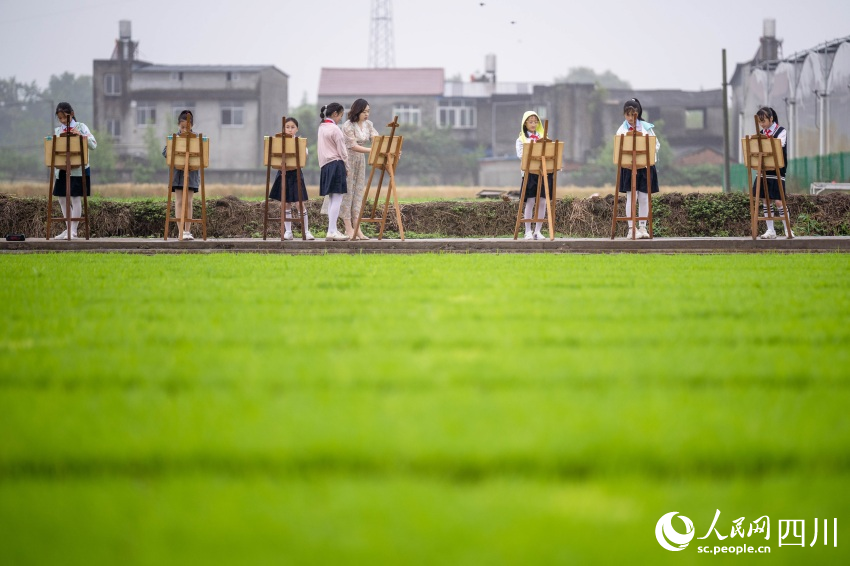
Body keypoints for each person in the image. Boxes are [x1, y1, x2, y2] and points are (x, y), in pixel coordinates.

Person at [616, 98, 660, 239]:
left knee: (644, 197)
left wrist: (646, 152)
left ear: (638, 113)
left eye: (633, 114)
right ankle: (631, 229)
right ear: (624, 115)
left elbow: (656, 144)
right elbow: (618, 147)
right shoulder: (621, 130)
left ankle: (642, 227)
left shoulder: (647, 127)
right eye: (627, 114)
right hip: (629, 167)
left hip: (645, 166)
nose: (630, 118)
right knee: (631, 197)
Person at [52, 102, 97, 240]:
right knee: (61, 198)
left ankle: (74, 231)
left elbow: (93, 144)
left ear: (71, 114)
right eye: (59, 118)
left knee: (76, 198)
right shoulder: (58, 131)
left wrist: (81, 136)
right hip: (62, 169)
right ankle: (68, 228)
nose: (62, 121)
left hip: (79, 169)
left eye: (64, 117)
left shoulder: (81, 127)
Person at [341, 98, 380, 240]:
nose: (367, 114)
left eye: (368, 111)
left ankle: (357, 227)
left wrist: (385, 147)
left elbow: (376, 139)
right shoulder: (348, 126)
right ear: (357, 111)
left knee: (358, 193)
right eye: (364, 112)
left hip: (360, 162)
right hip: (348, 161)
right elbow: (352, 145)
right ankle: (348, 227)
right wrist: (372, 150)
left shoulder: (369, 125)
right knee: (347, 193)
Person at [752, 106, 794, 239]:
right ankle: (771, 231)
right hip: (763, 169)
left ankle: (788, 229)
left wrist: (763, 141)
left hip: (777, 170)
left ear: (771, 119)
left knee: (778, 201)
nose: (762, 124)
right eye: (759, 122)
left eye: (763, 121)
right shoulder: (761, 133)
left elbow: (776, 146)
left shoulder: (781, 131)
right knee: (765, 200)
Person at [269, 117, 314, 240]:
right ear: (283, 128)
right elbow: (273, 156)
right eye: (287, 127)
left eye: (292, 127)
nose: (289, 129)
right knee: (286, 203)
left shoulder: (300, 142)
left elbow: (305, 155)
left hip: (296, 174)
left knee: (300, 203)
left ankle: (306, 231)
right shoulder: (278, 141)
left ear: (297, 129)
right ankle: (288, 232)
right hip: (282, 173)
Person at [162, 110, 199, 240]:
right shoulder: (174, 138)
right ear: (179, 125)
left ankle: (188, 231)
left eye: (187, 128)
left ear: (192, 126)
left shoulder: (197, 139)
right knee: (178, 201)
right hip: (177, 174)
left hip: (192, 174)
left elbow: (202, 155)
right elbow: (165, 152)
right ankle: (180, 231)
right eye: (182, 127)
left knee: (189, 202)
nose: (184, 130)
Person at [515, 111, 551, 240]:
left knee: (542, 202)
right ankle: (528, 231)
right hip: (529, 173)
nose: (533, 124)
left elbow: (549, 152)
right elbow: (521, 155)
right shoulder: (521, 139)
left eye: (535, 122)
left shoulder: (543, 137)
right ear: (525, 123)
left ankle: (538, 231)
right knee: (530, 201)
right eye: (530, 121)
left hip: (542, 172)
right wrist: (533, 148)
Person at [317, 103, 350, 241]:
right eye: (341, 116)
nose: (340, 119)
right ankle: (332, 231)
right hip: (336, 164)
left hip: (325, 165)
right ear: (335, 114)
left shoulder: (321, 127)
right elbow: (342, 151)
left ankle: (333, 229)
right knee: (337, 198)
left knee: (332, 198)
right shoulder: (335, 129)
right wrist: (347, 166)